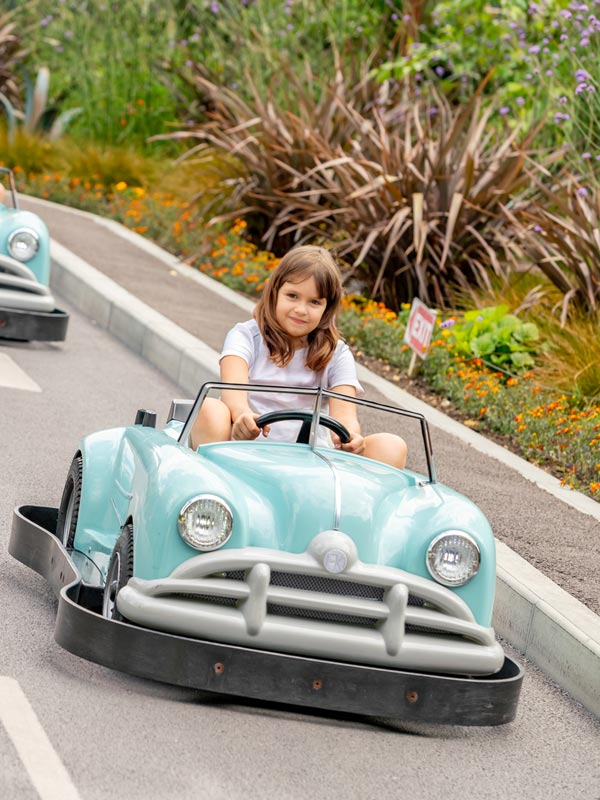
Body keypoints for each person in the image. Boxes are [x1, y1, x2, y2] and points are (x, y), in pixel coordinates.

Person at [191, 245, 407, 469]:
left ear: (327, 308)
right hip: (244, 452)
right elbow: (233, 392)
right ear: (275, 293)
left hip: (307, 463)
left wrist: (349, 436)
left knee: (391, 447)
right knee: (210, 409)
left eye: (315, 302)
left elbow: (345, 416)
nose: (301, 310)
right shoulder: (246, 336)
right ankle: (212, 481)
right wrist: (242, 415)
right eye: (292, 296)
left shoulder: (336, 353)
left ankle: (346, 492)